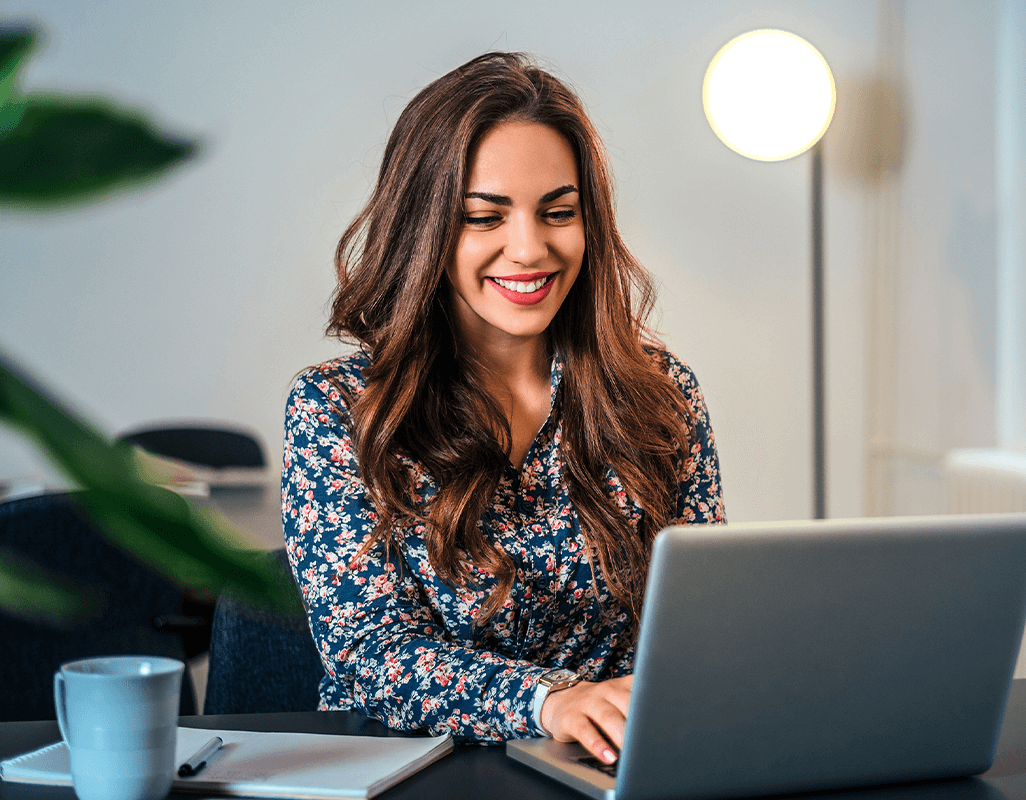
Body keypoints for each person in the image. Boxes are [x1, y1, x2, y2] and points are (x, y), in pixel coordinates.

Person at [280, 52, 725, 766]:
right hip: (415, 773)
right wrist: (548, 701)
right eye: (484, 218)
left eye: (558, 212)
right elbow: (369, 655)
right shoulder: (339, 407)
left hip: (614, 769)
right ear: (424, 230)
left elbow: (702, 622)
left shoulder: (661, 393)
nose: (530, 249)